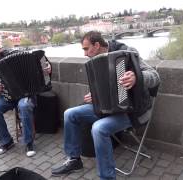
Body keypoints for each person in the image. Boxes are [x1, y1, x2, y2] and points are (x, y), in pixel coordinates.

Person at [51, 31, 160, 180]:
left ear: (96, 45)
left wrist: (137, 77)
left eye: (86, 48)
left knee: (99, 128)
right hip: (106, 109)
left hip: (132, 110)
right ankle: (74, 160)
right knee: (70, 114)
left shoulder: (127, 52)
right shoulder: (95, 61)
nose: (84, 54)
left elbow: (155, 76)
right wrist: (94, 96)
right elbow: (102, 87)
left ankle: (107, 177)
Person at [0, 34, 51, 157]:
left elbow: (42, 62)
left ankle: (29, 143)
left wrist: (47, 68)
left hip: (26, 94)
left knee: (23, 106)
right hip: (7, 98)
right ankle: (6, 141)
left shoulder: (14, 53)